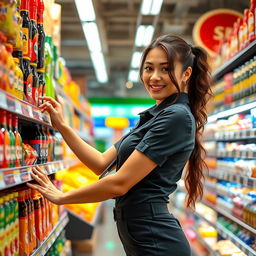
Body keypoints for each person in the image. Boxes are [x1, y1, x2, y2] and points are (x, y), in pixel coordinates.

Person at [27, 34, 212, 256]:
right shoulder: (156, 115)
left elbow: (120, 183)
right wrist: (62, 126)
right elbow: (101, 163)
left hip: (156, 240)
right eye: (148, 68)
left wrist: (62, 197)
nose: (154, 77)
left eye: (165, 69)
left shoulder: (176, 117)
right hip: (142, 234)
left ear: (186, 74)